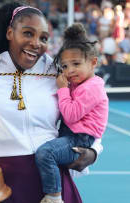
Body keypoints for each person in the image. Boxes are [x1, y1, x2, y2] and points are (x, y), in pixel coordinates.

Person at [0, 2, 103, 203]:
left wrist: (93, 151)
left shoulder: (57, 72)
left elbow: (89, 112)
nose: (36, 43)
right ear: (10, 33)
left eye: (44, 38)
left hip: (51, 186)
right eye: (28, 33)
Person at [35, 23, 108, 203]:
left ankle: (54, 197)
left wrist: (62, 90)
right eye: (65, 66)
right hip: (72, 135)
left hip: (80, 139)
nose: (70, 71)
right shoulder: (80, 83)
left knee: (46, 153)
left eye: (76, 64)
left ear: (93, 62)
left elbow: (71, 115)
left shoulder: (92, 88)